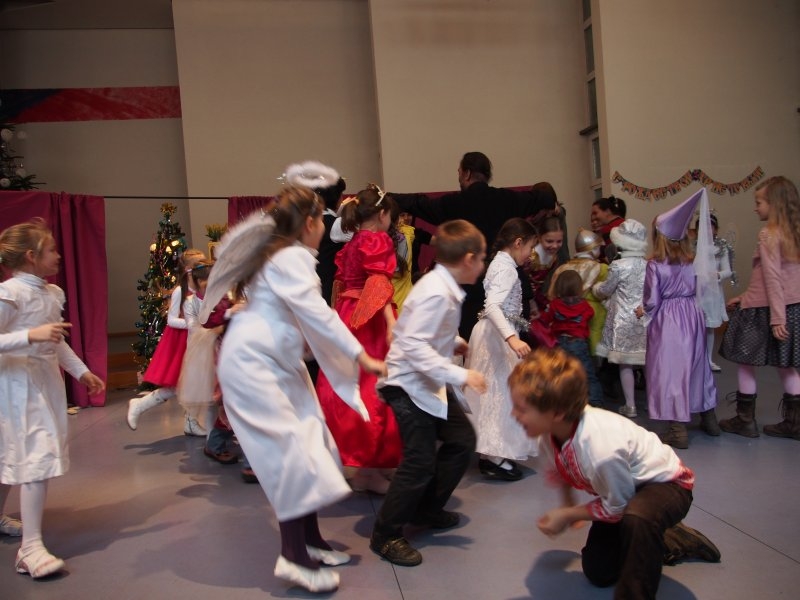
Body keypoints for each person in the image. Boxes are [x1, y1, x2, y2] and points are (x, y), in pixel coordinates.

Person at [203, 185, 386, 593]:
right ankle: (293, 556)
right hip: (255, 367)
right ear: (309, 224)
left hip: (276, 363)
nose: (325, 226)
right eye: (322, 219)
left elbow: (299, 315)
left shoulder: (284, 255)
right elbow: (318, 314)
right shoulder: (291, 258)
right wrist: (361, 356)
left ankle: (311, 541)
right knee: (291, 455)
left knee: (312, 442)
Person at [509, 346, 721, 600]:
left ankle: (650, 538)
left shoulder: (600, 449)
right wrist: (567, 505)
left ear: (556, 413)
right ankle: (665, 538)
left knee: (638, 518)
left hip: (667, 485)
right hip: (623, 488)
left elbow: (616, 508)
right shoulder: (550, 433)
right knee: (599, 572)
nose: (514, 414)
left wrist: (568, 515)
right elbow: (560, 471)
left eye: (521, 409)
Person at [370, 220, 487, 567]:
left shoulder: (443, 287)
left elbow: (423, 333)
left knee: (461, 441)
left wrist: (453, 341)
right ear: (468, 259)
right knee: (419, 460)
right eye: (482, 258)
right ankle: (385, 534)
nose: (483, 264)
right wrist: (460, 373)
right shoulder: (437, 292)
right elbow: (412, 345)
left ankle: (426, 508)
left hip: (427, 382)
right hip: (407, 385)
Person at [0, 218, 105, 578]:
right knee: (35, 455)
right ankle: (29, 549)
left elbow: (55, 343)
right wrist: (30, 335)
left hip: (44, 384)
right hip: (15, 386)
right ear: (31, 256)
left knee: (15, 454)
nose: (58, 256)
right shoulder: (10, 293)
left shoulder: (52, 293)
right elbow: (32, 337)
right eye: (52, 250)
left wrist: (81, 371)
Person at [390, 151, 558, 338]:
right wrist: (553, 204)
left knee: (474, 347)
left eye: (459, 172)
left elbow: (419, 203)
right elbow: (543, 197)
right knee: (513, 345)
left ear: (467, 173)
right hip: (508, 292)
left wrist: (386, 196)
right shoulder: (508, 199)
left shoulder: (454, 204)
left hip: (472, 294)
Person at [316, 184, 402, 495]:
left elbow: (341, 284)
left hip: (347, 314)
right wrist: (391, 323)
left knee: (349, 383)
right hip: (369, 318)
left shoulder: (351, 243)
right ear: (383, 214)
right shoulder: (377, 239)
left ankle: (367, 464)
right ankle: (371, 468)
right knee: (373, 387)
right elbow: (378, 283)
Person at [637, 190, 721, 448]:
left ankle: (677, 430)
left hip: (668, 320)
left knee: (670, 370)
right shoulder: (691, 262)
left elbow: (652, 300)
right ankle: (709, 418)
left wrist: (642, 311)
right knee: (697, 366)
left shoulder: (655, 265)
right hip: (692, 315)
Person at [718, 176, 800, 440]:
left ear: (774, 204)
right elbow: (771, 279)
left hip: (767, 311)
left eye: (759, 202)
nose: (755, 208)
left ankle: (745, 421)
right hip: (789, 308)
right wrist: (745, 297)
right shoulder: (793, 235)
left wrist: (777, 318)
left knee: (745, 361)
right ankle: (795, 423)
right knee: (786, 365)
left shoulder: (768, 234)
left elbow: (773, 279)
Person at [466, 218, 537, 482]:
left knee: (495, 394)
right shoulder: (506, 268)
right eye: (530, 247)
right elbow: (493, 306)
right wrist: (511, 339)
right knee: (498, 393)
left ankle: (491, 453)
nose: (530, 254)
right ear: (518, 243)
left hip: (494, 333)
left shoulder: (499, 263)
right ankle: (493, 456)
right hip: (497, 337)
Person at [126, 248, 208, 435]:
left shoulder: (201, 288)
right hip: (181, 342)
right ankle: (140, 404)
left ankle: (190, 421)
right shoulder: (180, 291)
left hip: (196, 340)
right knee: (179, 385)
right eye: (199, 264)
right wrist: (193, 324)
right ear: (188, 269)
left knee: (193, 383)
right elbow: (171, 320)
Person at [593, 219, 648, 418]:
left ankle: (630, 405)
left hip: (623, 321)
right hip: (645, 318)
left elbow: (606, 290)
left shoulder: (617, 265)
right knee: (647, 361)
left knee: (626, 363)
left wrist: (595, 288)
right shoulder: (649, 265)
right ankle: (653, 403)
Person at [540, 269, 603, 408]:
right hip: (578, 342)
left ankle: (560, 401)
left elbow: (545, 318)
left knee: (561, 373)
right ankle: (595, 401)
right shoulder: (584, 305)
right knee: (587, 373)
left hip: (560, 343)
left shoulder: (555, 304)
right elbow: (590, 315)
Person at [547, 227, 608, 356]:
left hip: (562, 312)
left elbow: (552, 294)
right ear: (593, 249)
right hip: (591, 313)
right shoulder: (601, 268)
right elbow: (605, 292)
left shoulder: (562, 268)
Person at [698, 213, 736, 372]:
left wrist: (718, 275)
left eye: (710, 227)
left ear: (716, 229)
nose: (707, 230)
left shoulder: (721, 247)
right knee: (695, 327)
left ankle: (708, 359)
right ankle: (695, 359)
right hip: (697, 292)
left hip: (712, 294)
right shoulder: (694, 247)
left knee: (709, 327)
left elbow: (728, 271)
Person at [522, 215, 564, 314]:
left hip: (540, 296)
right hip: (525, 297)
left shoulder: (554, 258)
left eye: (559, 241)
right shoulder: (530, 257)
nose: (555, 246)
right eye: (549, 241)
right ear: (540, 237)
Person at [590, 196, 627, 263]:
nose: (593, 217)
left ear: (607, 211)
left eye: (595, 213)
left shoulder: (607, 230)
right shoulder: (626, 224)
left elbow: (610, 256)